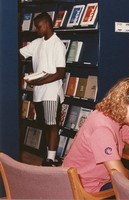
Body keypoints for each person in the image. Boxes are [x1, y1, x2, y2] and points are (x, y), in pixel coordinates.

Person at [62, 77, 129, 193]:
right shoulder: (102, 128)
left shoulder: (114, 118)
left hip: (94, 182)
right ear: (124, 102)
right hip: (84, 190)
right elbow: (120, 176)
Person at [19, 12, 67, 166]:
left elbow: (60, 73)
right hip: (39, 92)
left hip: (51, 92)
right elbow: (20, 54)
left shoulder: (58, 44)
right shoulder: (37, 42)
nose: (36, 30)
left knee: (52, 124)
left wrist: (39, 82)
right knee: (45, 124)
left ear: (47, 25)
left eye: (39, 27)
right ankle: (51, 155)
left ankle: (51, 159)